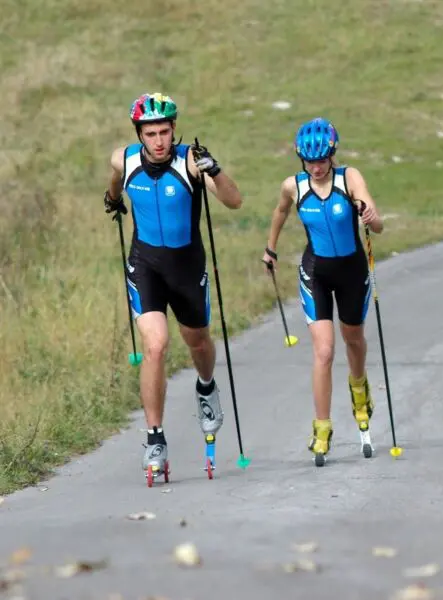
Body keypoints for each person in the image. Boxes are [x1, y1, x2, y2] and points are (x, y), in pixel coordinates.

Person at [103, 92, 243, 479]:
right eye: (151, 133)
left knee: (197, 340)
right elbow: (115, 176)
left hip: (187, 266)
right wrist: (113, 199)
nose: (160, 140)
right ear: (140, 134)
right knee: (155, 345)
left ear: (174, 130)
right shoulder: (125, 157)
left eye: (165, 131)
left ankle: (206, 386)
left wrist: (214, 169)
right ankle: (154, 437)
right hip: (145, 264)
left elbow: (234, 201)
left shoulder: (191, 163)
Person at [262, 117, 384, 467]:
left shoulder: (349, 178)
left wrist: (371, 218)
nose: (316, 168)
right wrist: (270, 249)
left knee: (354, 340)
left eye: (322, 160)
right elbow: (280, 212)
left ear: (333, 156)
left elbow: (377, 223)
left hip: (352, 269)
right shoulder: (294, 186)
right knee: (325, 351)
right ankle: (322, 427)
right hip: (315, 270)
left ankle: (359, 391)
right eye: (309, 161)